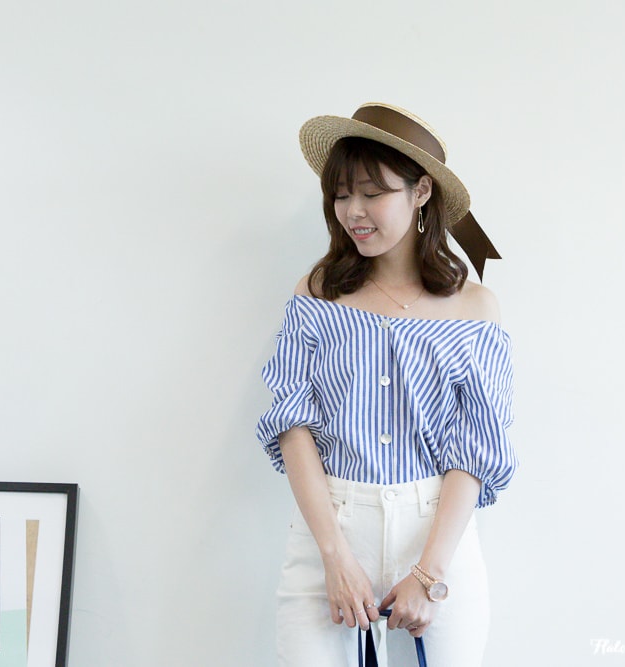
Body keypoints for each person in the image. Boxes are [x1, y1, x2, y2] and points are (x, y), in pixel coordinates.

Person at [256, 103, 518, 667]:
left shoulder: (475, 307)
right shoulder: (318, 293)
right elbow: (292, 424)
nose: (353, 211)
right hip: (329, 529)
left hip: (437, 537)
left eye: (372, 193)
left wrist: (429, 574)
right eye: (341, 194)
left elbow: (476, 448)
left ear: (421, 191)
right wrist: (334, 556)